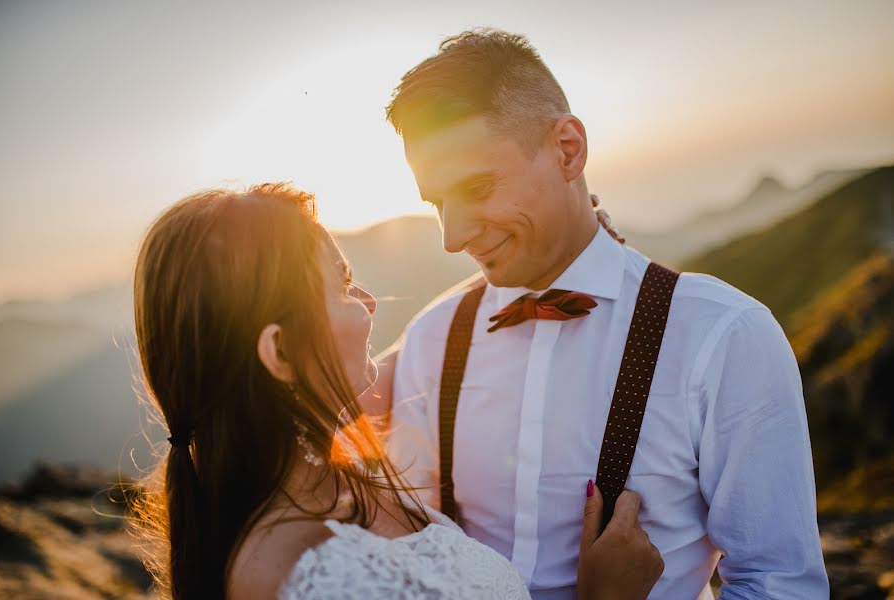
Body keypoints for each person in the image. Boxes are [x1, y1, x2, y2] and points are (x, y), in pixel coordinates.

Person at [381, 29, 829, 599]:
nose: (453, 236)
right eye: (436, 203)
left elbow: (779, 586)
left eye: (477, 186)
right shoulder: (432, 339)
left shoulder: (723, 335)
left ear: (568, 149)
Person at [129, 183, 663, 599]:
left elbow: (434, 337)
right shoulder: (303, 575)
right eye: (340, 286)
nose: (367, 301)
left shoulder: (331, 471)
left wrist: (574, 244)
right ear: (281, 354)